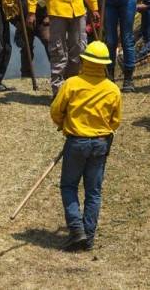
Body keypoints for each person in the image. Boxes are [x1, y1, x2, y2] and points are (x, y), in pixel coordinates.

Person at [50, 41, 122, 252]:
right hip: (101, 143)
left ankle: (76, 229)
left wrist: (64, 124)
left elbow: (56, 111)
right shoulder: (112, 90)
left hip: (77, 142)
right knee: (93, 191)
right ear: (104, 65)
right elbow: (115, 120)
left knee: (69, 186)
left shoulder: (72, 84)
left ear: (85, 61)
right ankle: (88, 236)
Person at [15, 0, 50, 78]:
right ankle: (26, 75)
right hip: (24, 22)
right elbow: (9, 4)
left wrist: (49, 16)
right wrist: (16, 23)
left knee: (49, 41)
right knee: (26, 47)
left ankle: (57, 71)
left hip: (42, 20)